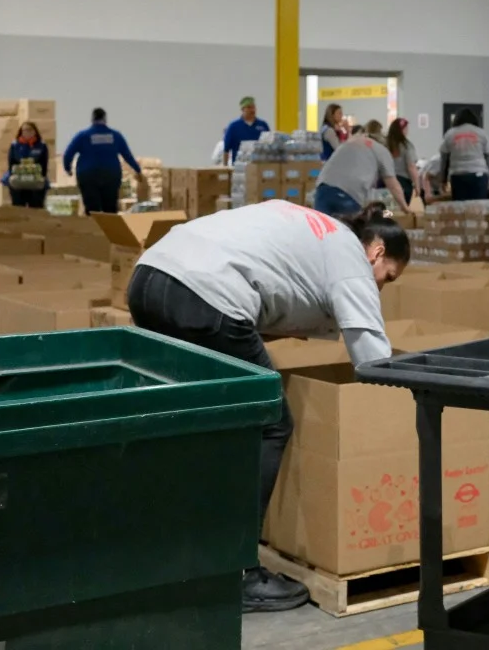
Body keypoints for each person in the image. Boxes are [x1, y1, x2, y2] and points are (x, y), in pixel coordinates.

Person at [128, 200, 406, 613]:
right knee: (269, 422)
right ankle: (239, 572)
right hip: (206, 294)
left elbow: (271, 309)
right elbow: (372, 358)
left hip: (149, 277)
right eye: (388, 278)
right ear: (378, 252)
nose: (381, 287)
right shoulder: (351, 254)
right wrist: (414, 396)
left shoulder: (315, 228)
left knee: (203, 423)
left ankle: (171, 550)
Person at [63, 108, 142, 215]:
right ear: (105, 119)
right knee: (109, 209)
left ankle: (93, 228)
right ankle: (109, 229)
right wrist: (138, 170)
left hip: (88, 175)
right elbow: (127, 155)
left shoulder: (83, 136)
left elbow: (68, 154)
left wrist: (68, 169)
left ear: (92, 119)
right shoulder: (115, 136)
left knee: (92, 209)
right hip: (111, 174)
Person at [315, 134, 410, 219]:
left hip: (322, 188)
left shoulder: (353, 142)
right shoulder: (382, 151)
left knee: (321, 231)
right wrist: (405, 208)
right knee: (350, 232)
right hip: (349, 193)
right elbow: (393, 185)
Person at [440, 110, 489, 201]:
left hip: (458, 176)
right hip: (479, 175)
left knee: (461, 209)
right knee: (480, 208)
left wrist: (443, 180)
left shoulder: (450, 133)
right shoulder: (481, 133)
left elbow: (444, 159)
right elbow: (488, 156)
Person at [4, 121, 51, 209]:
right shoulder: (15, 145)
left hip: (35, 182)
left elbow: (44, 164)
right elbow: (11, 163)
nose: (27, 132)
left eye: (29, 130)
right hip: (19, 182)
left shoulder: (41, 146)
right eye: (24, 130)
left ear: (35, 131)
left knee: (36, 207)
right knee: (18, 207)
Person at [224, 96, 271, 164]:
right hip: (239, 167)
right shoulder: (233, 126)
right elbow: (226, 149)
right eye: (249, 107)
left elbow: (269, 146)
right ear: (242, 109)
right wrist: (225, 168)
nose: (252, 110)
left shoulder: (263, 125)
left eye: (253, 107)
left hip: (259, 166)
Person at [386, 118, 419, 206]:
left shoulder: (385, 144)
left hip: (386, 181)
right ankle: (398, 219)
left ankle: (389, 218)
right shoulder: (406, 146)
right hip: (403, 182)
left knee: (388, 208)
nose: (407, 131)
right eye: (406, 128)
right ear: (402, 130)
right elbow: (411, 167)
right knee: (402, 209)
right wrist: (417, 185)